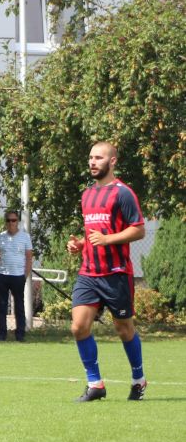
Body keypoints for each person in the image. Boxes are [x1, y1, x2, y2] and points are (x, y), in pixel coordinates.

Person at [66, 142, 147, 403]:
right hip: (89, 273)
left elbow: (139, 229)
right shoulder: (87, 195)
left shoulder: (123, 193)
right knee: (79, 326)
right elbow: (94, 233)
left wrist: (107, 240)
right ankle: (95, 384)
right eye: (90, 157)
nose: (92, 162)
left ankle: (139, 379)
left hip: (116, 273)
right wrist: (81, 244)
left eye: (98, 158)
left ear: (112, 162)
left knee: (124, 329)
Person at [0, 208, 34, 341]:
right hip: (2, 275)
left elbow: (29, 258)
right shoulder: (0, 237)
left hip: (18, 276)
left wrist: (25, 275)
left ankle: (20, 334)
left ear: (18, 221)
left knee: (19, 306)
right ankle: (2, 334)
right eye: (8, 220)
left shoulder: (25, 237)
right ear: (5, 222)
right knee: (1, 306)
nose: (11, 223)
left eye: (14, 220)